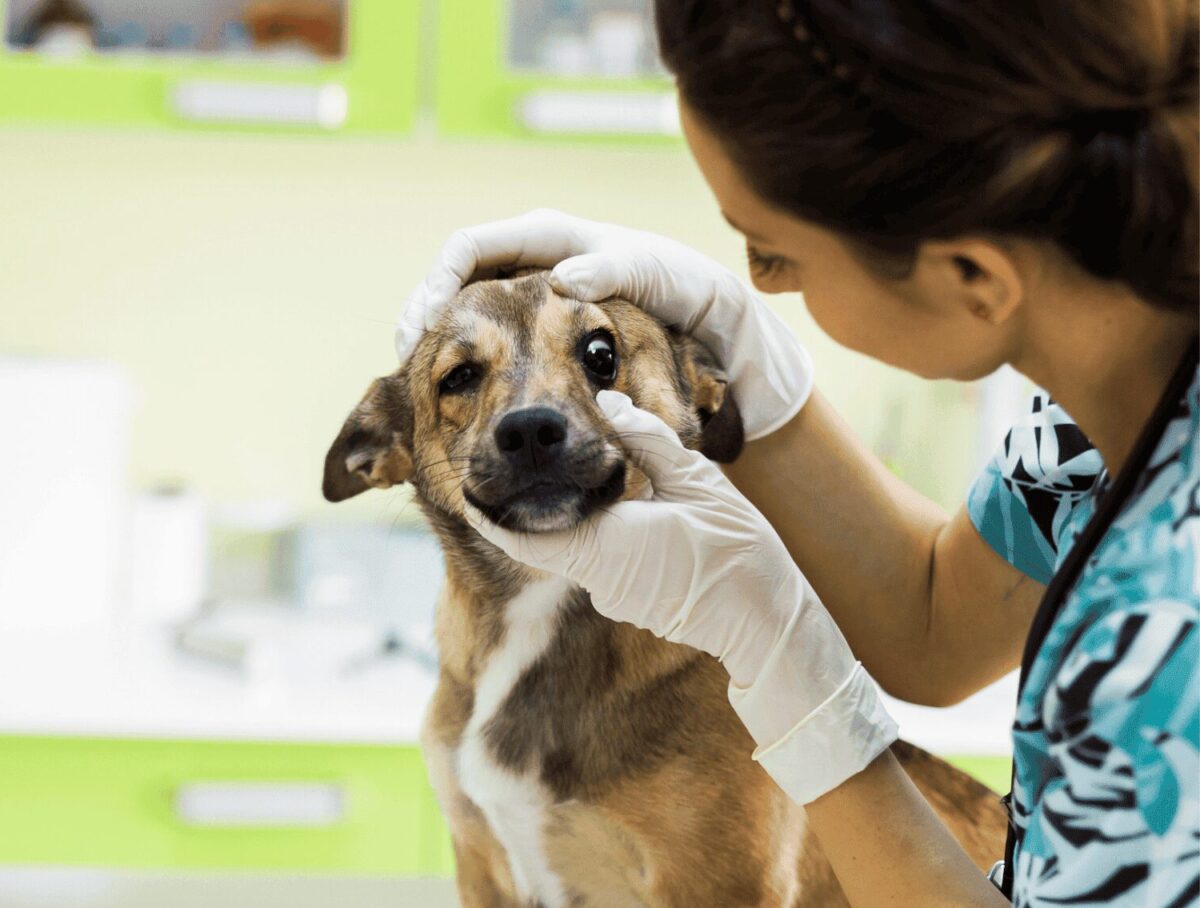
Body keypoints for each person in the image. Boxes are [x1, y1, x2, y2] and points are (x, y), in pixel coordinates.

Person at [394, 1, 1199, 904]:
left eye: (773, 254)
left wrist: (789, 674)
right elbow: (936, 621)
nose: (762, 285)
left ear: (970, 275)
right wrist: (752, 366)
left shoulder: (1167, 639)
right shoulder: (1089, 435)